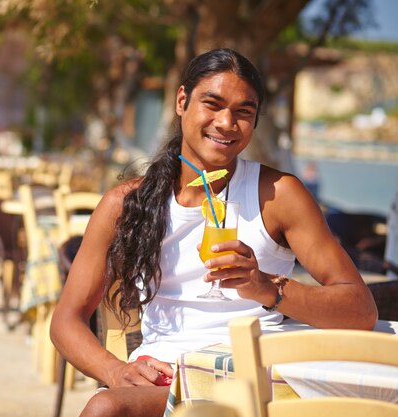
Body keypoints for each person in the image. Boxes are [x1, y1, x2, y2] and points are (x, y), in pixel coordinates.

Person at [49, 48, 377, 417]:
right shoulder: (124, 204)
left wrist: (267, 287)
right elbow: (66, 320)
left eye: (243, 112)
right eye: (213, 104)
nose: (226, 123)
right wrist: (115, 370)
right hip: (171, 379)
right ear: (182, 101)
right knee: (105, 407)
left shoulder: (277, 195)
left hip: (258, 377)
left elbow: (360, 310)